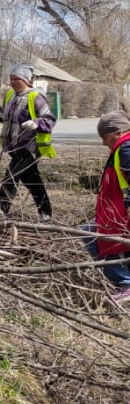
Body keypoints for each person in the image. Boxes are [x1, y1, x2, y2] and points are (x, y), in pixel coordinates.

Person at [0, 65, 55, 219]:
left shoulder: (36, 97)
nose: (13, 82)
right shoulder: (10, 95)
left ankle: (1, 208)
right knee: (33, 180)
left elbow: (50, 119)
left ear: (26, 81)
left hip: (29, 145)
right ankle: (45, 212)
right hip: (14, 146)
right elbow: (2, 115)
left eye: (16, 79)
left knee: (11, 175)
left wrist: (36, 123)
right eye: (11, 79)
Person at [81, 112, 130, 302]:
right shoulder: (121, 148)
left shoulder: (126, 148)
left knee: (91, 233)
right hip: (116, 211)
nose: (103, 143)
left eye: (104, 137)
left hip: (120, 212)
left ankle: (125, 283)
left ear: (116, 133)